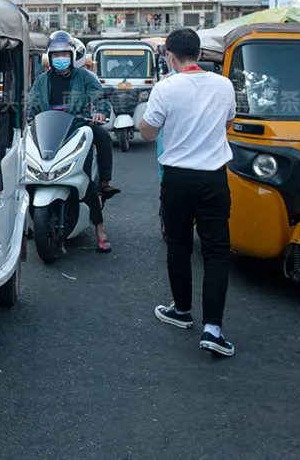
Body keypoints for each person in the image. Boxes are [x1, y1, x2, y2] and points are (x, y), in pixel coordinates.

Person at [140, 28, 237, 357]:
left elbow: (149, 133)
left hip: (177, 178)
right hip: (213, 178)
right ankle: (213, 330)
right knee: (216, 253)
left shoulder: (165, 88)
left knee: (179, 247)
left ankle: (181, 311)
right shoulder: (224, 84)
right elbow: (227, 124)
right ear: (200, 53)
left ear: (168, 55)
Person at [28, 31, 116, 252]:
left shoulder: (84, 77)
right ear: (50, 57)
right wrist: (25, 115)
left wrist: (98, 112)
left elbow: (99, 98)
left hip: (78, 129)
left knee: (88, 175)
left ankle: (100, 226)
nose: (60, 58)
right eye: (55, 54)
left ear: (71, 55)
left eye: (64, 54)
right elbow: (32, 103)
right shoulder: (42, 80)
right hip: (50, 131)